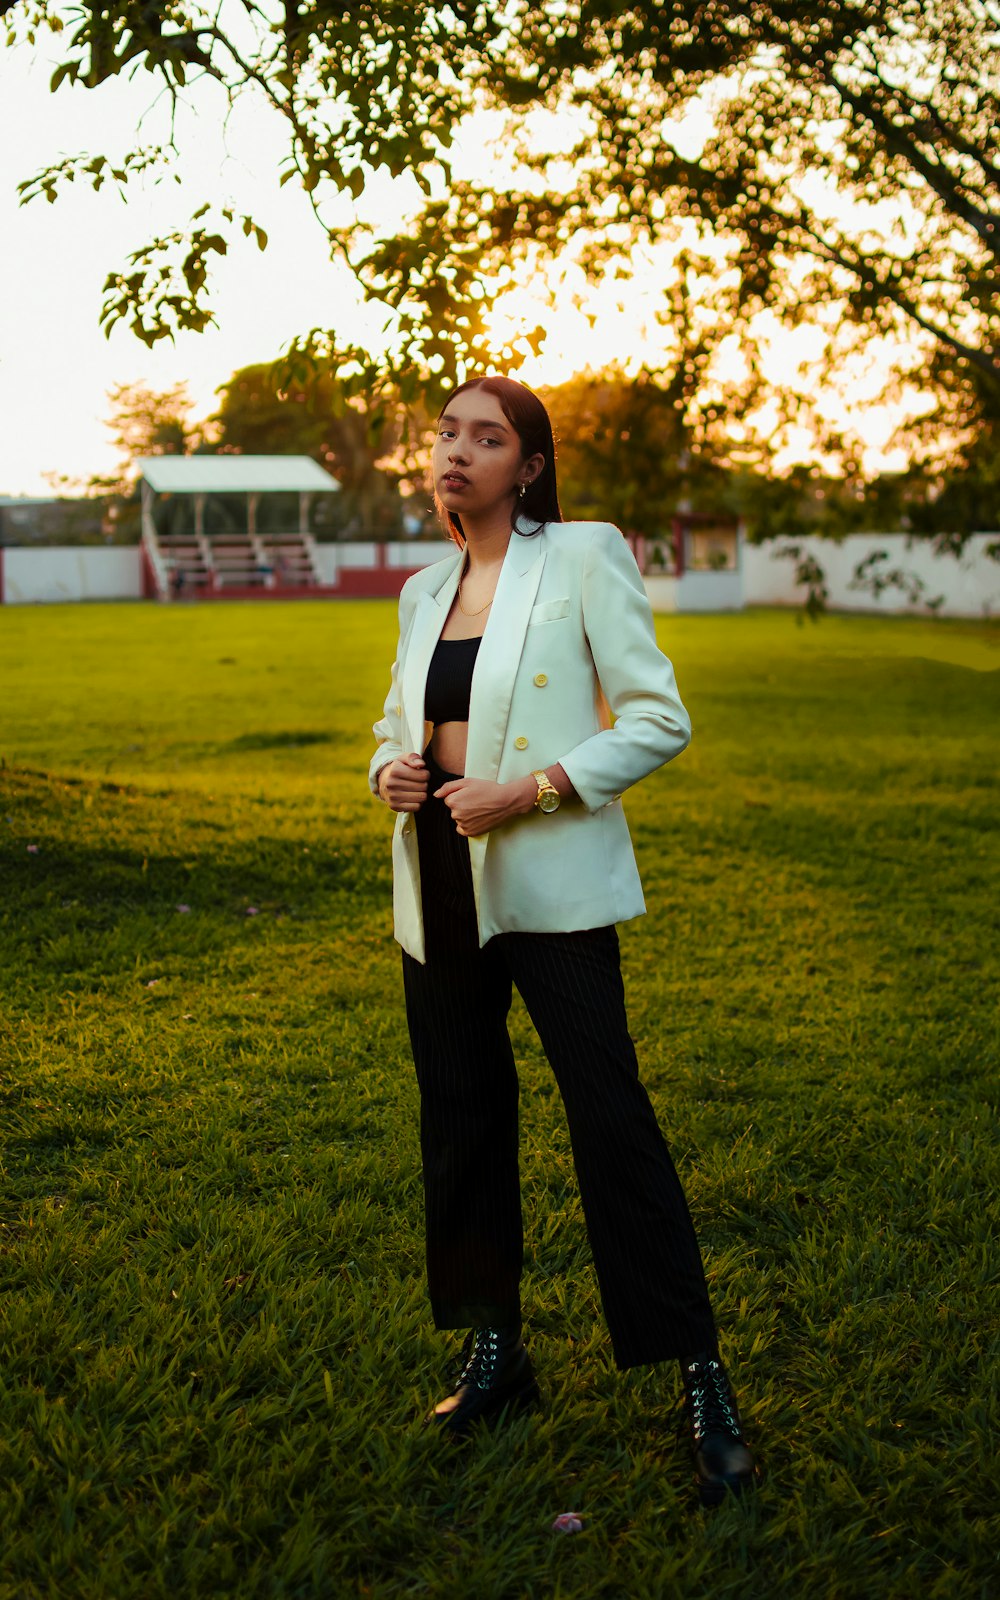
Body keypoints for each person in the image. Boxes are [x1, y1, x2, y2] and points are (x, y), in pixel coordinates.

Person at [368, 375, 758, 1505]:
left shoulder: (582, 554)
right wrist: (389, 770)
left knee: (611, 1119)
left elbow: (655, 719)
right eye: (447, 433)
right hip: (437, 875)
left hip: (549, 882)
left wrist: (529, 790)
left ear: (528, 467)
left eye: (487, 438)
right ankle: (497, 1349)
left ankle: (701, 1375)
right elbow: (400, 726)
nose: (458, 452)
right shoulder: (421, 585)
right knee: (463, 1114)